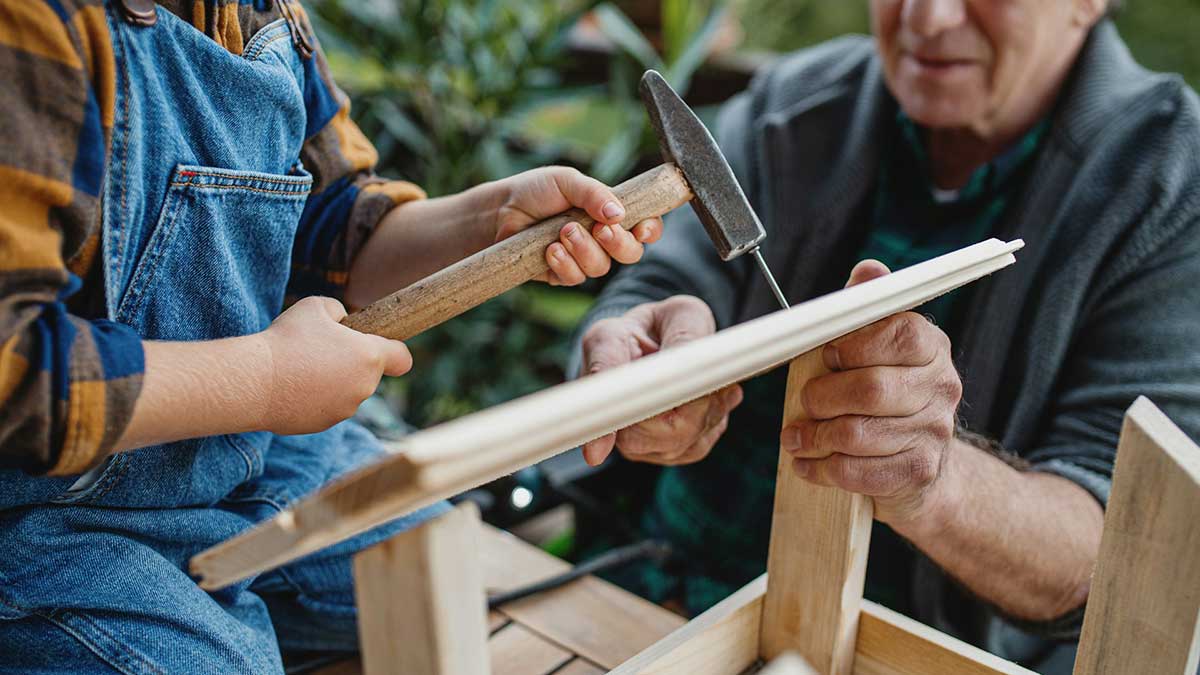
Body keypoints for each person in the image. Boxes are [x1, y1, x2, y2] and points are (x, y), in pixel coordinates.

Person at [0, 0, 661, 672]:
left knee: (429, 569)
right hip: (38, 511)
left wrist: (492, 217)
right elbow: (14, 369)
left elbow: (336, 227)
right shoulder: (34, 23)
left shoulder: (263, 15)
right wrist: (265, 380)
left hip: (230, 456)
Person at [573, 0, 1200, 671]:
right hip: (644, 592)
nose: (925, 20)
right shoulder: (797, 101)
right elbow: (658, 285)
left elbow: (1122, 552)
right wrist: (640, 344)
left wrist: (939, 479)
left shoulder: (1172, 186)